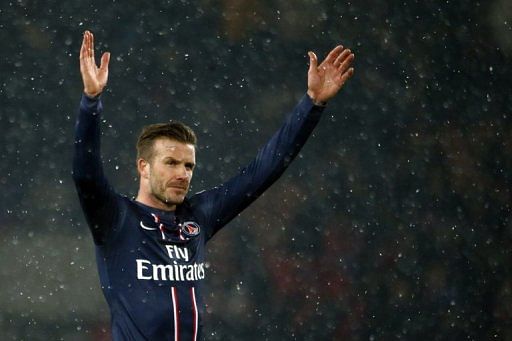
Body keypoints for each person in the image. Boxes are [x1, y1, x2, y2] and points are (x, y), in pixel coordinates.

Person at [73, 30, 354, 340]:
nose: (182, 173)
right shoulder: (116, 220)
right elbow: (86, 175)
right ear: (144, 167)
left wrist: (312, 104)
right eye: (170, 163)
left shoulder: (197, 217)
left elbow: (264, 171)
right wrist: (91, 102)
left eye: (188, 165)